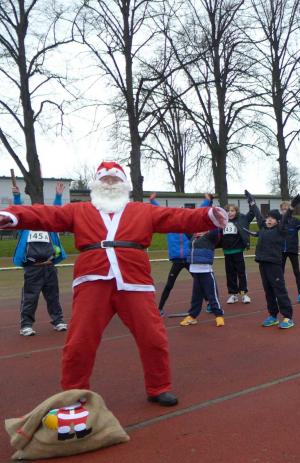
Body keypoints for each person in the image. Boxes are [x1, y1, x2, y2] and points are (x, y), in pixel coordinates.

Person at [0, 161, 228, 406]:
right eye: (105, 179)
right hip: (92, 279)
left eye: (115, 179)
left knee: (153, 337)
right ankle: (73, 393)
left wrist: (207, 215)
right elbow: (46, 214)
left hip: (135, 281)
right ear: (96, 184)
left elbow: (176, 217)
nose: (110, 183)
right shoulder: (79, 210)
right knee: (79, 340)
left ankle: (158, 387)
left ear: (124, 184)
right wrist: (12, 215)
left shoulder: (142, 210)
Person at [12, 182, 68, 336]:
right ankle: (26, 325)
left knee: (53, 296)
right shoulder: (25, 227)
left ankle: (58, 321)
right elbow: (18, 211)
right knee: (30, 298)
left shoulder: (49, 226)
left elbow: (56, 212)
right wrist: (17, 196)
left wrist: (58, 196)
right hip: (32, 268)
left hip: (49, 267)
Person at [150, 193, 213, 315]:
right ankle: (160, 309)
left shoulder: (188, 225)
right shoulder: (169, 226)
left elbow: (199, 211)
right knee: (169, 285)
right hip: (177, 261)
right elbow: (160, 211)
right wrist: (152, 201)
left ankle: (210, 303)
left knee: (199, 282)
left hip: (189, 259)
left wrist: (207, 200)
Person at [249, 191, 299, 329]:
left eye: (272, 218)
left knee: (279, 290)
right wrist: (252, 203)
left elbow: (286, 218)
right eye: (268, 218)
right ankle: (273, 315)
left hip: (274, 265)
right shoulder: (263, 227)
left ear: (277, 221)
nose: (269, 220)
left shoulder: (280, 229)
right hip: (263, 264)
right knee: (268, 291)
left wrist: (291, 208)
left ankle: (288, 317)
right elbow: (258, 215)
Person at [180, 227, 225, 327]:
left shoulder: (210, 236)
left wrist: (214, 219)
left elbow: (216, 228)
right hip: (195, 270)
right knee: (196, 297)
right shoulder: (193, 236)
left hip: (206, 270)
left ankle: (219, 315)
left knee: (212, 295)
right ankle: (192, 316)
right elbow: (185, 227)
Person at [221, 203, 255, 304]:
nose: (230, 213)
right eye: (228, 211)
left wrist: (251, 202)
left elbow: (251, 213)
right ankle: (233, 294)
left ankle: (244, 294)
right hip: (227, 253)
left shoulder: (242, 219)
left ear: (236, 212)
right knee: (230, 274)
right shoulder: (222, 222)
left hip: (238, 252)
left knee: (241, 273)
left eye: (232, 211)